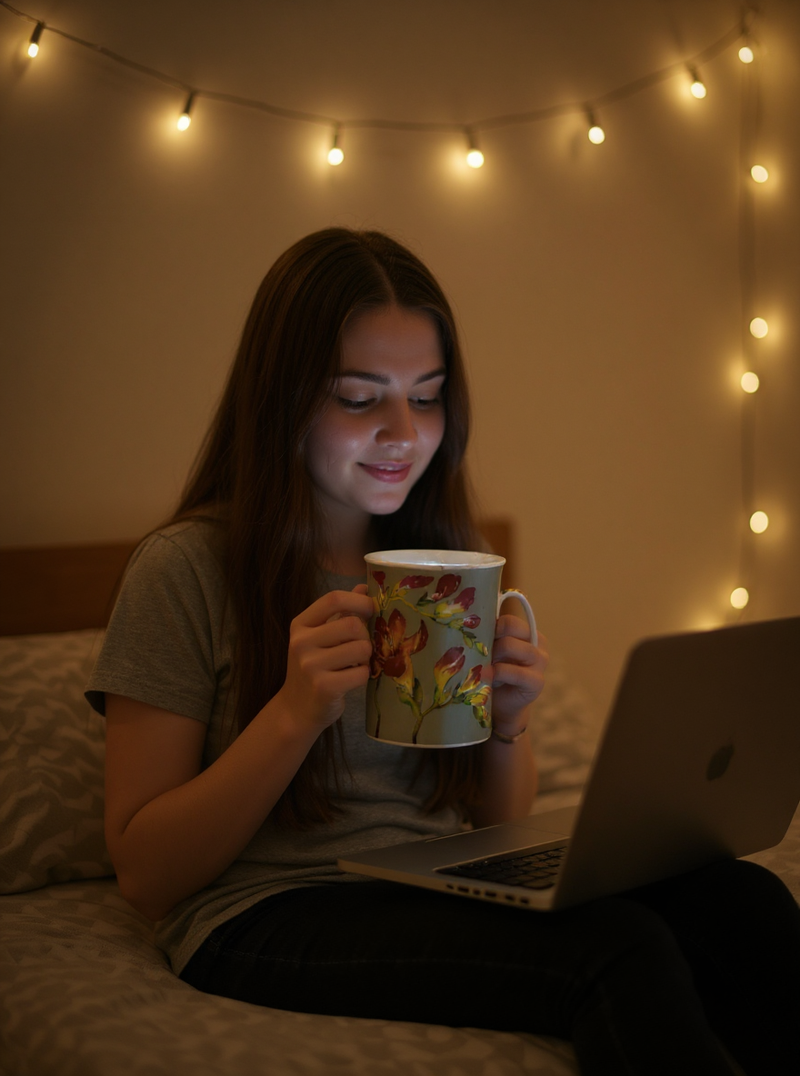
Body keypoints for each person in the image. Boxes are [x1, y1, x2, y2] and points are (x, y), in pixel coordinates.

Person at [88, 228, 800, 1076]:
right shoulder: (184, 569)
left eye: (426, 398)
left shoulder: (442, 559)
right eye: (359, 398)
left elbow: (495, 826)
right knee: (617, 949)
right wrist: (293, 713)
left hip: (430, 881)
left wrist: (507, 725)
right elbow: (144, 873)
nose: (403, 433)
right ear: (281, 398)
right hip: (263, 910)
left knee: (743, 899)